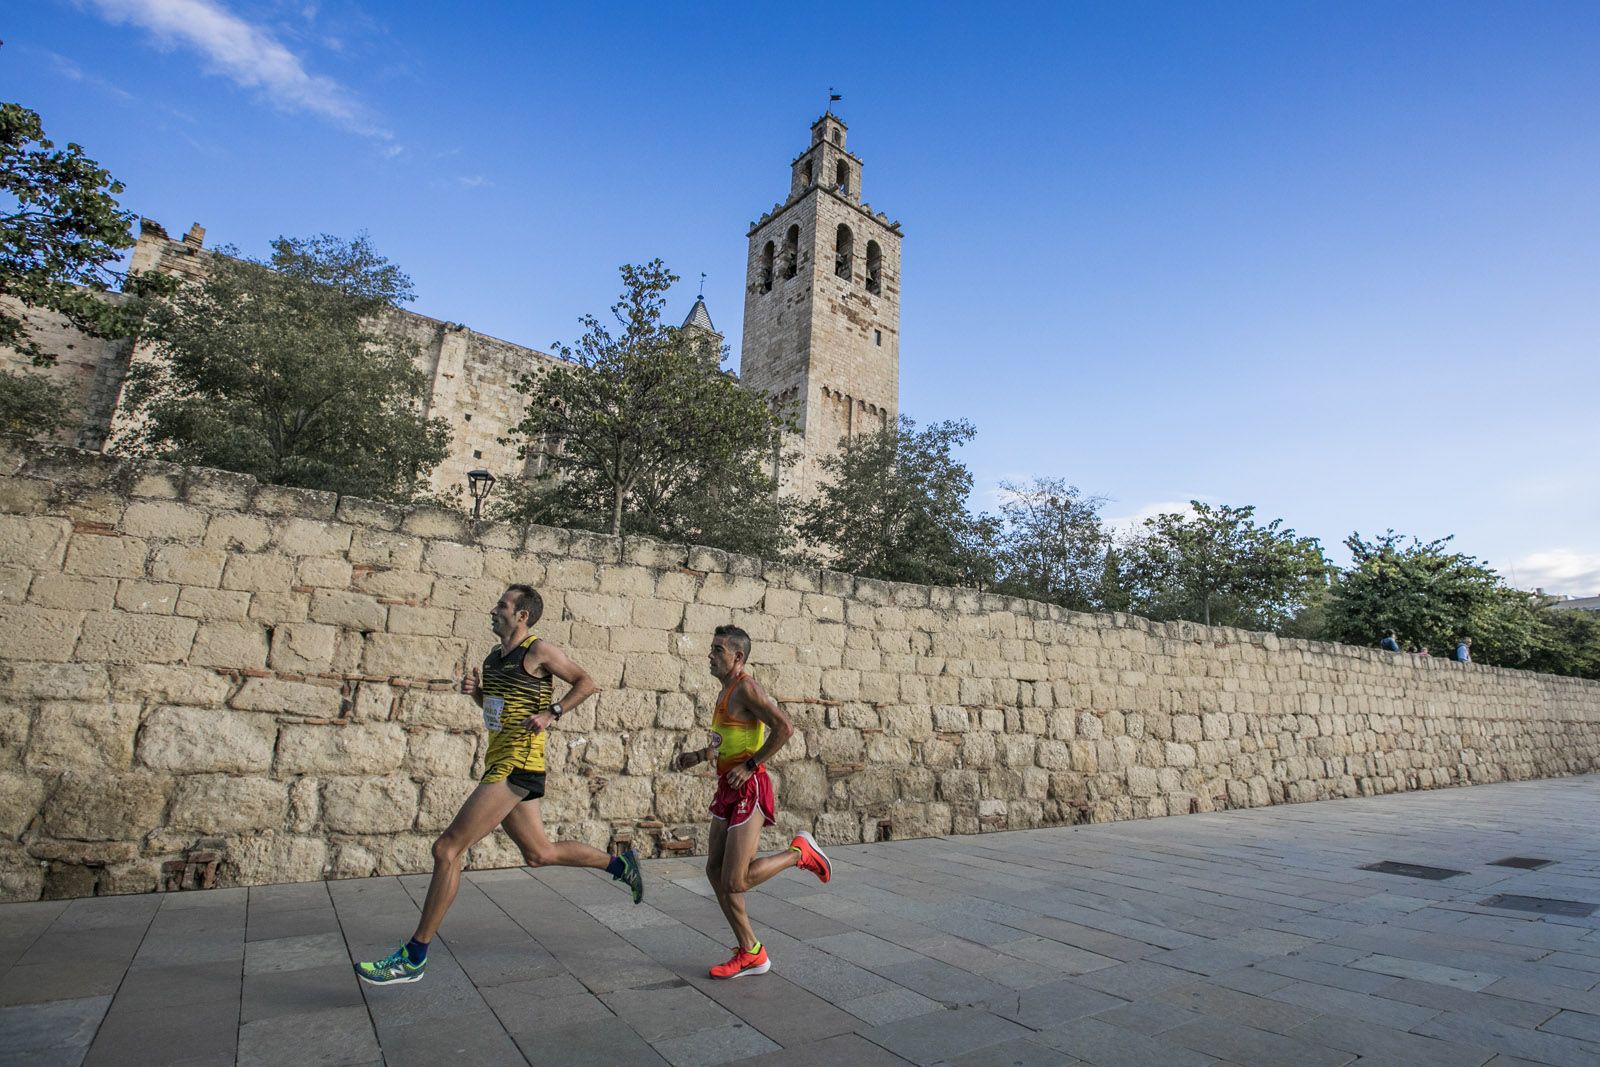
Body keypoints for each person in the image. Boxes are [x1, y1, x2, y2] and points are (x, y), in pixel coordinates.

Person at [355, 584, 642, 986]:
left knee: (447, 849)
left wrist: (551, 712)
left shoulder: (538, 651)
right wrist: (477, 695)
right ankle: (620, 864)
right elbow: (496, 710)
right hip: (500, 760)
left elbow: (586, 682)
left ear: (522, 615)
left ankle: (414, 956)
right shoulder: (493, 658)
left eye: (502, 606)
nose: (493, 610)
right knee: (538, 853)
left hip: (517, 765)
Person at [674, 624, 831, 979]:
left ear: (737, 657)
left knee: (736, 881)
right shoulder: (724, 690)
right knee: (714, 871)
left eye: (718, 650)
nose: (710, 655)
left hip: (749, 788)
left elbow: (784, 728)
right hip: (727, 787)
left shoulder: (746, 687)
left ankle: (800, 854)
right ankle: (751, 952)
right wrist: (699, 755)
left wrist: (750, 765)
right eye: (712, 649)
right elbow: (725, 739)